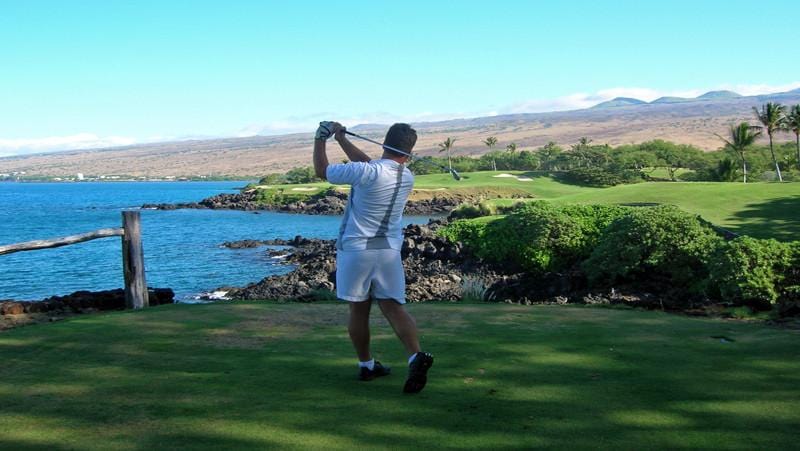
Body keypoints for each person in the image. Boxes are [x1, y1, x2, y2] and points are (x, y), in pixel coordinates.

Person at [312, 120, 434, 394]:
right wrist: (342, 139)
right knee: (392, 305)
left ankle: (366, 365)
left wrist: (321, 138)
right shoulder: (407, 176)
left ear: (384, 142)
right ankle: (415, 356)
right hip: (388, 252)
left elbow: (322, 171)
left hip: (357, 249)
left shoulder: (368, 172)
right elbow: (371, 165)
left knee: (359, 308)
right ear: (409, 150)